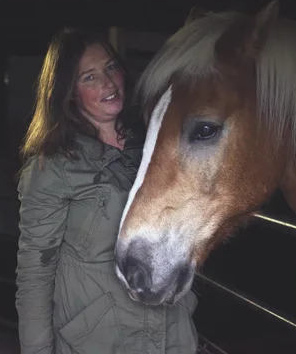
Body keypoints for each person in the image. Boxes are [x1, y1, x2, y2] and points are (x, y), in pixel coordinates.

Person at [15, 27, 199, 354]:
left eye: (110, 68)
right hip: (100, 342)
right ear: (68, 92)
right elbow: (35, 271)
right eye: (89, 77)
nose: (108, 83)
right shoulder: (53, 169)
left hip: (169, 334)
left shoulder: (154, 149)